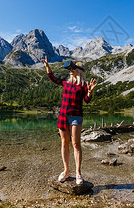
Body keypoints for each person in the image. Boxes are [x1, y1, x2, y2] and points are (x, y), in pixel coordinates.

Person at [41, 56, 97, 185]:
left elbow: (87, 101)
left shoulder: (83, 85)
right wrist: (48, 67)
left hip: (76, 116)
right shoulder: (66, 82)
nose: (70, 70)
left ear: (79, 70)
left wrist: (90, 92)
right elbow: (52, 78)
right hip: (63, 116)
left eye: (73, 68)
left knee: (76, 144)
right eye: (69, 69)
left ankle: (78, 173)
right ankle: (66, 171)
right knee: (64, 143)